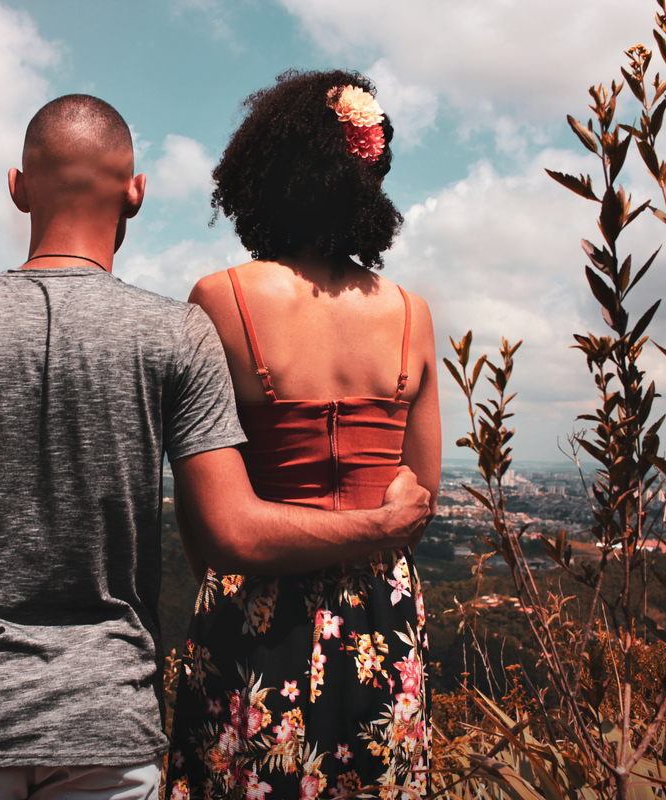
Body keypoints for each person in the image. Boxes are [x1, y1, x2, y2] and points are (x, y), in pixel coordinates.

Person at [0, 93, 433, 800]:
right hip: (129, 717)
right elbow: (368, 504)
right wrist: (380, 524)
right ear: (137, 193)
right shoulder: (179, 334)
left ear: (18, 187)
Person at [166, 71, 441, 799]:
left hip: (260, 610)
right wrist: (378, 524)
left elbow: (207, 517)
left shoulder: (223, 299)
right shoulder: (412, 313)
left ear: (265, 177)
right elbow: (417, 501)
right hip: (385, 617)